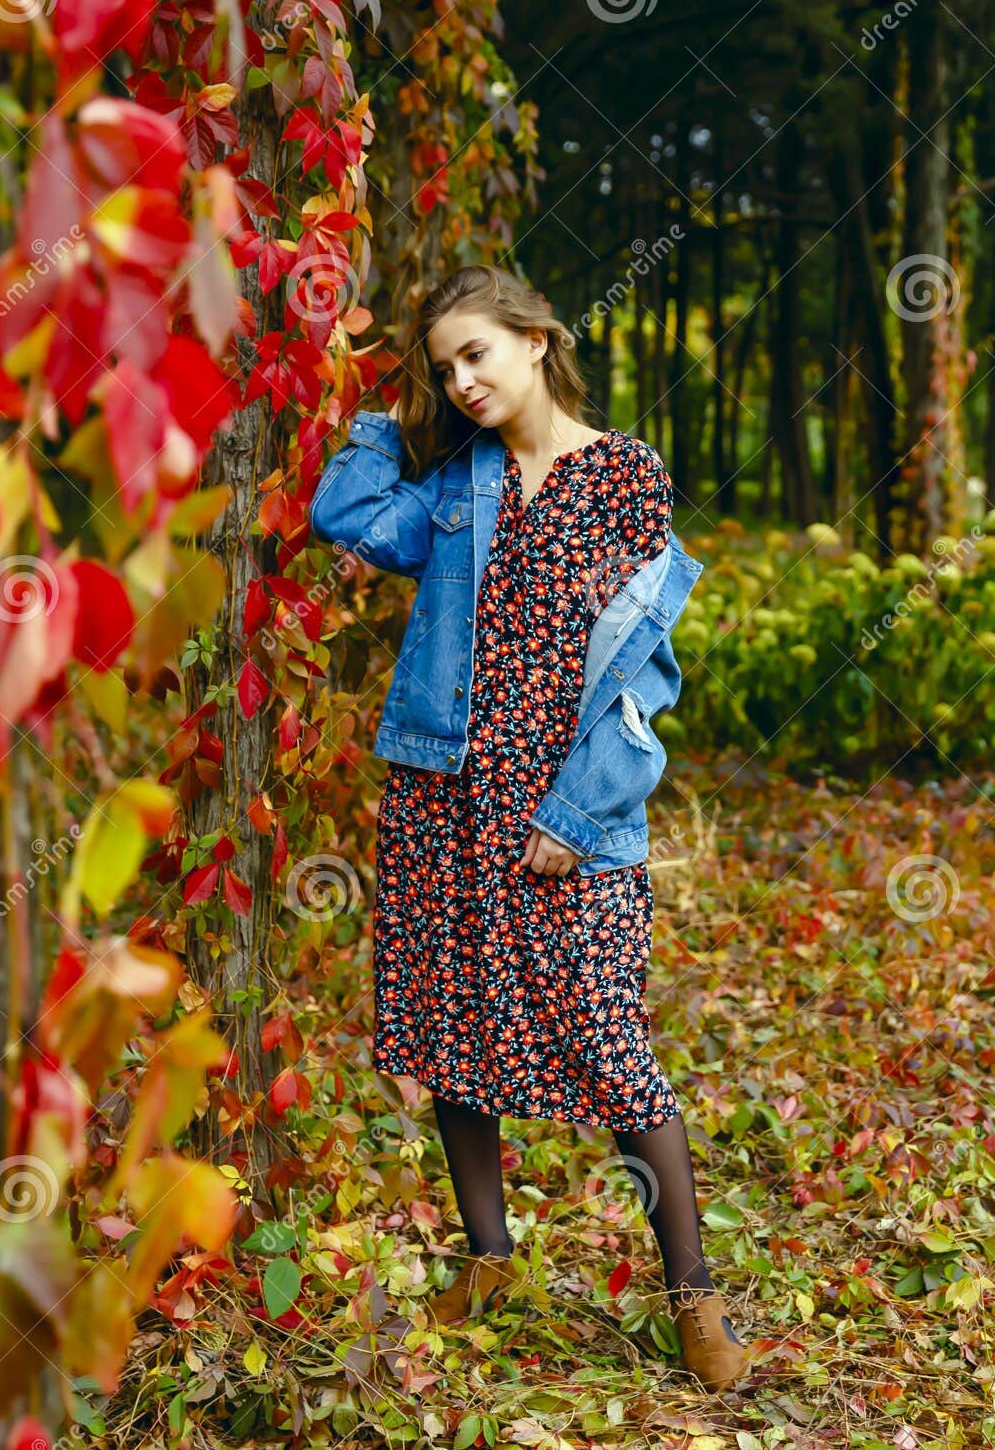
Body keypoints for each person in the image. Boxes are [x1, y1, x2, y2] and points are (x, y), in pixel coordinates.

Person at [311, 266, 749, 1392]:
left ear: (536, 339)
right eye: (442, 367)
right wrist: (372, 412)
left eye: (476, 355)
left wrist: (576, 809)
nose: (460, 381)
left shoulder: (622, 475)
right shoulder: (455, 483)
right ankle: (490, 1259)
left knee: (606, 1040)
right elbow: (344, 516)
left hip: (570, 803)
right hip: (444, 791)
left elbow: (639, 671)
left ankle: (691, 1295)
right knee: (449, 1017)